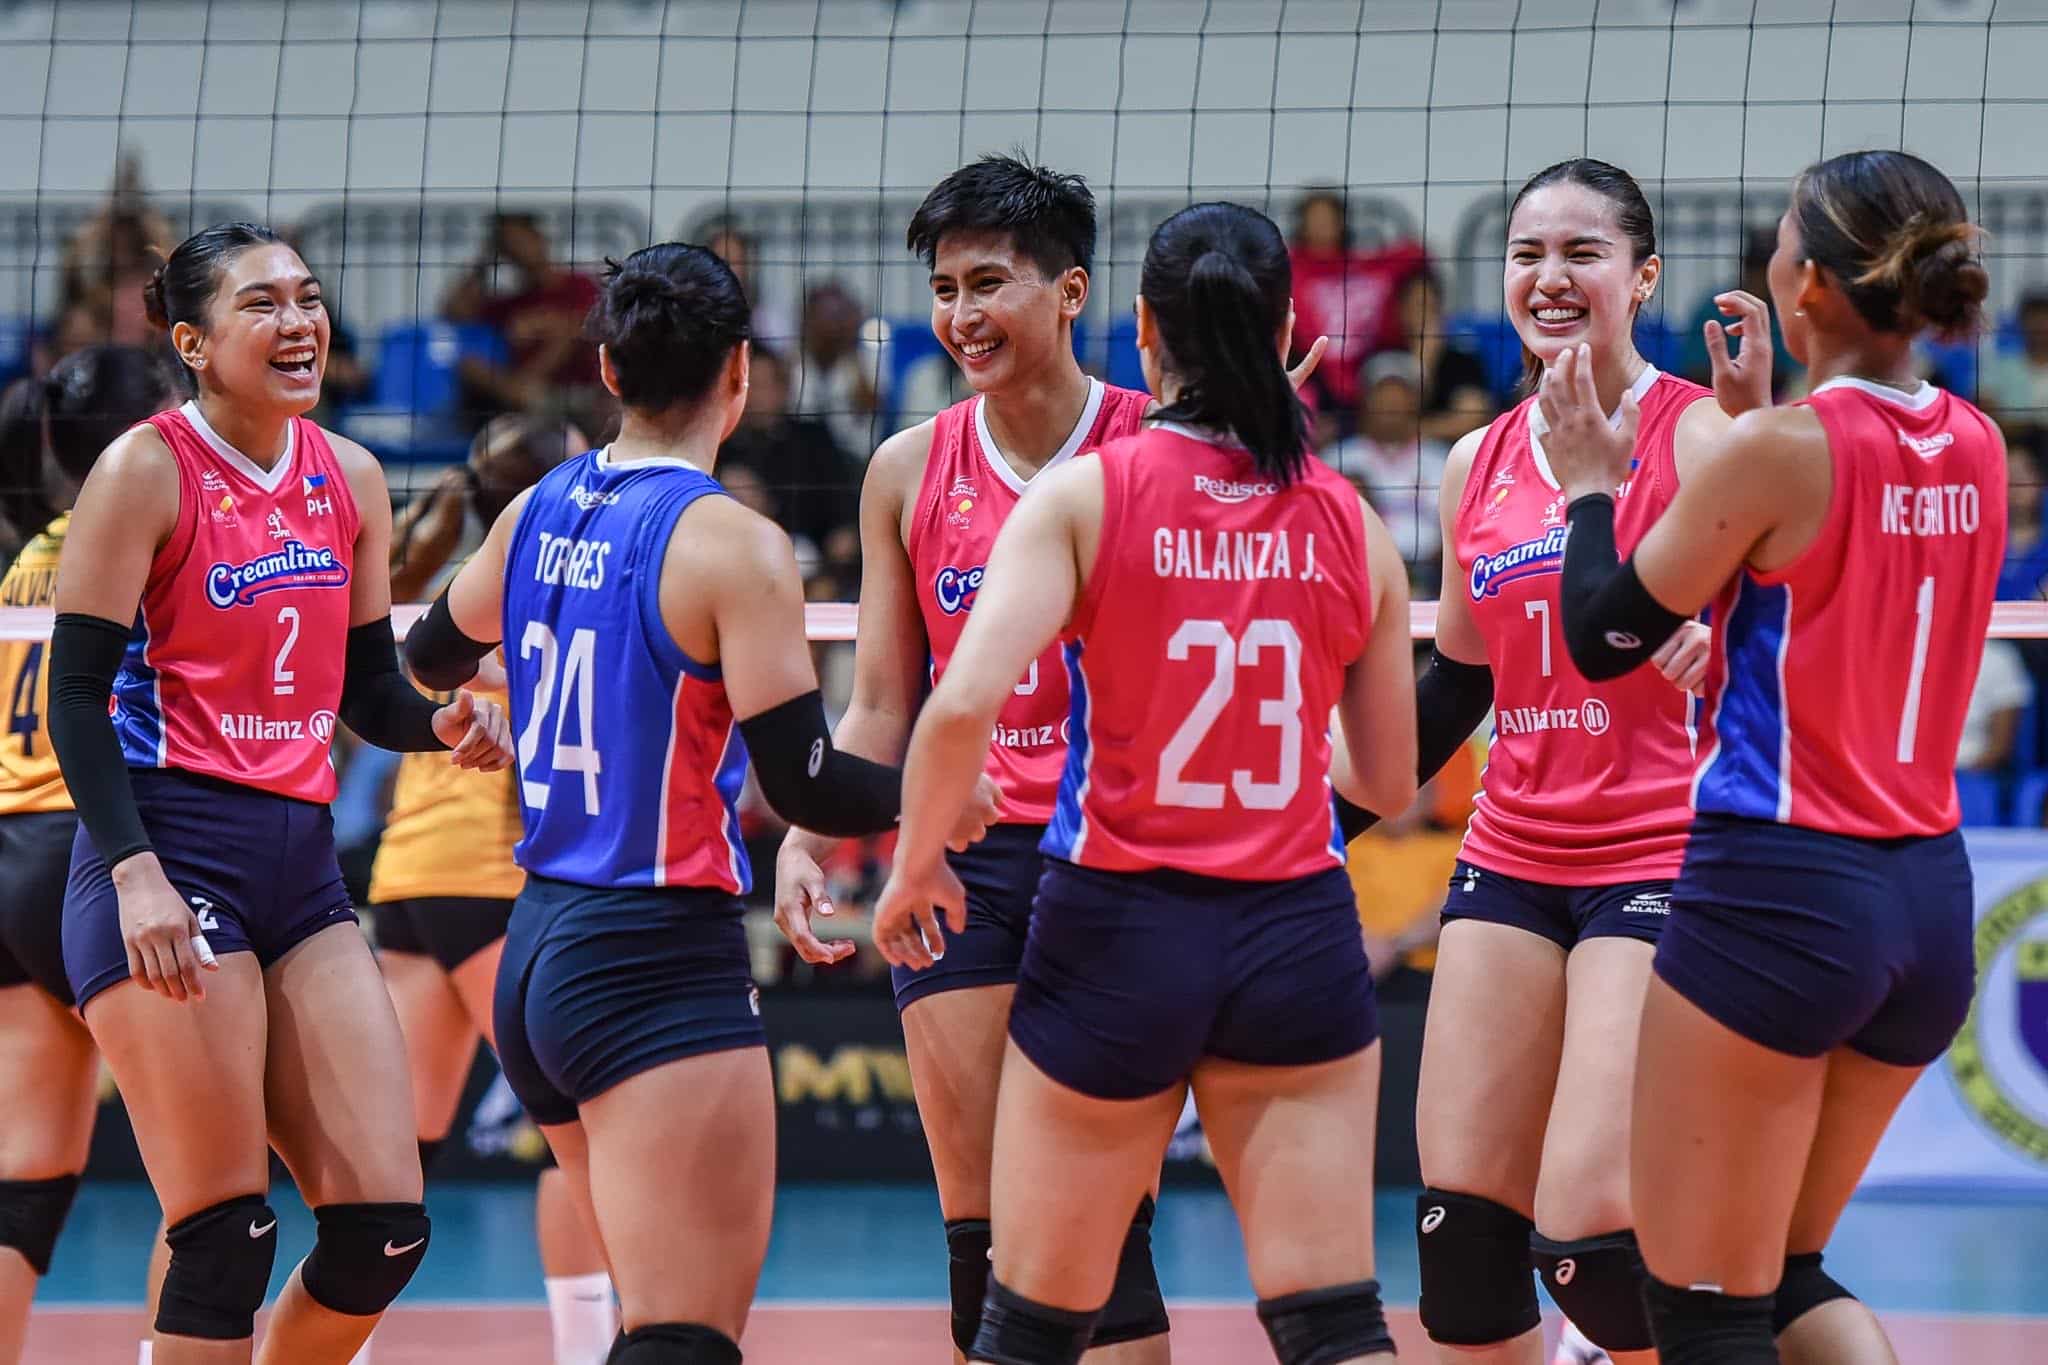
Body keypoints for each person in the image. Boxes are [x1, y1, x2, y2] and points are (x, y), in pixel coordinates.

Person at [402, 242, 998, 1364]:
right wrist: (936, 797)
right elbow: (804, 779)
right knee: (685, 1336)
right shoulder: (734, 544)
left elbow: (431, 653)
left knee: (649, 1317)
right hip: (654, 954)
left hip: (539, 946)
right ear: (738, 371)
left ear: (608, 371)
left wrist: (495, 700)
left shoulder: (535, 507)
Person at [873, 199, 1419, 1365]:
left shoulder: (1090, 492)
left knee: (1029, 1318)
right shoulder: (1345, 517)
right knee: (1332, 1322)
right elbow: (1386, 776)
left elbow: (955, 707)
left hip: (1118, 921)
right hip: (1293, 926)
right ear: (1284, 330)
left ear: (1137, 327)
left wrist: (911, 867)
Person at [1545, 148, 2001, 1364]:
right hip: (1926, 901)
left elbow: (1602, 635)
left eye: (1784, 241)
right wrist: (1751, 425)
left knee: (1701, 1307)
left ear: (1806, 287)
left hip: (1778, 892)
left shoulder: (1780, 453)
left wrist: (1590, 487)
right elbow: (1829, 569)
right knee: (1786, 1278)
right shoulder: (1975, 442)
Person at [47, 222, 513, 1365]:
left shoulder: (349, 476)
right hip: (169, 846)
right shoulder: (145, 470)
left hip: (299, 864)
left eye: (308, 297)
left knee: (384, 1233)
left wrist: (440, 722)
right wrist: (135, 875)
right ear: (192, 343)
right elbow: (75, 701)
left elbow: (368, 690)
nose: (300, 322)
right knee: (223, 1237)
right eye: (262, 304)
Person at [771, 154, 1172, 1365]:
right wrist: (807, 832)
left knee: (1100, 1230)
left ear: (1070, 292)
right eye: (944, 289)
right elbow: (881, 703)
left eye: (988, 283)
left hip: (1122, 865)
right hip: (963, 865)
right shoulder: (906, 468)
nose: (961, 315)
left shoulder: (1155, 443)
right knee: (983, 1236)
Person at [1399, 159, 1734, 1365]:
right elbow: (1457, 681)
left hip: (1662, 851)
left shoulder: (1703, 435)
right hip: (1510, 853)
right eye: (1526, 254)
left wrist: (1725, 647)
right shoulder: (1474, 462)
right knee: (1460, 1248)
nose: (1548, 277)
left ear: (1641, 278)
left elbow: (1795, 631)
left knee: (1588, 1240)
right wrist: (1315, 818)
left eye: (1580, 253)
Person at [364, 415, 616, 1365]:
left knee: (398, 1159)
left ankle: (337, 1349)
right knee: (580, 1129)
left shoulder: (443, 586)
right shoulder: (549, 585)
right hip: (491, 879)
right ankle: (590, 1350)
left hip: (406, 879)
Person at [0, 345, 182, 1365]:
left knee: (24, 1181)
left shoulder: (30, 552)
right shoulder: (142, 544)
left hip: (6, 858)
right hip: (93, 859)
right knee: (211, 1173)